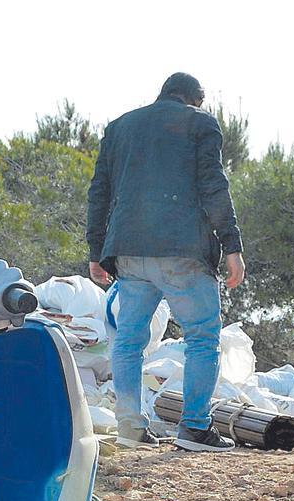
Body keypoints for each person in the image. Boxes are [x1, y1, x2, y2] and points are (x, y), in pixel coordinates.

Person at [85, 72, 245, 452]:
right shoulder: (200, 123)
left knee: (127, 341)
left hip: (129, 252)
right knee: (202, 337)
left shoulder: (119, 127)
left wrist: (96, 250)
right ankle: (194, 427)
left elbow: (99, 192)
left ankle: (130, 426)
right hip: (181, 251)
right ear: (194, 100)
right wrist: (232, 246)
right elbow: (213, 184)